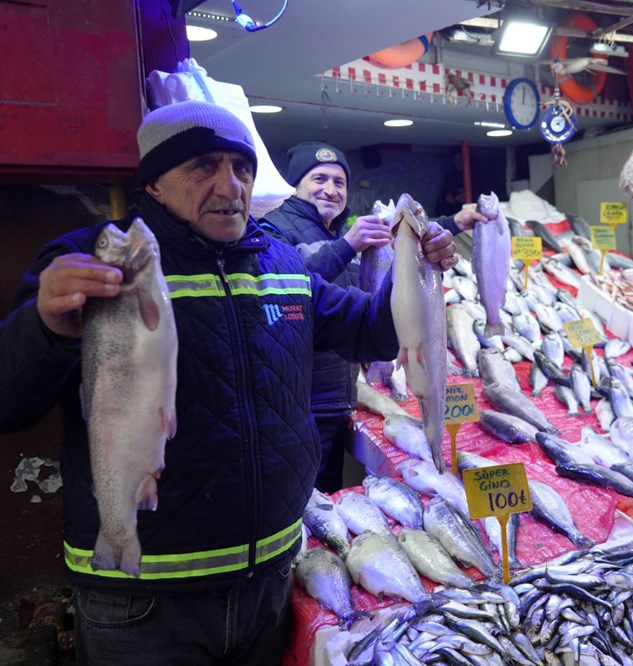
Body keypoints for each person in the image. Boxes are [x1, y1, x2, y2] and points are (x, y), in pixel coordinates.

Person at [0, 100, 457, 665]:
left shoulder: (281, 263)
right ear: (156, 183)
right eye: (203, 166)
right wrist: (45, 329)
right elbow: (10, 403)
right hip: (145, 598)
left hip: (271, 580)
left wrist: (416, 268)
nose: (230, 185)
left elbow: (373, 331)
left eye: (242, 168)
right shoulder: (95, 262)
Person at [260, 141, 482, 492]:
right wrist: (346, 245)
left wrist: (427, 239)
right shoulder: (272, 228)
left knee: (329, 500)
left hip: (338, 399)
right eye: (319, 179)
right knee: (303, 501)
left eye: (339, 182)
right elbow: (288, 282)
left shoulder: (334, 230)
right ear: (295, 186)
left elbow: (370, 297)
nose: (330, 189)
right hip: (299, 406)